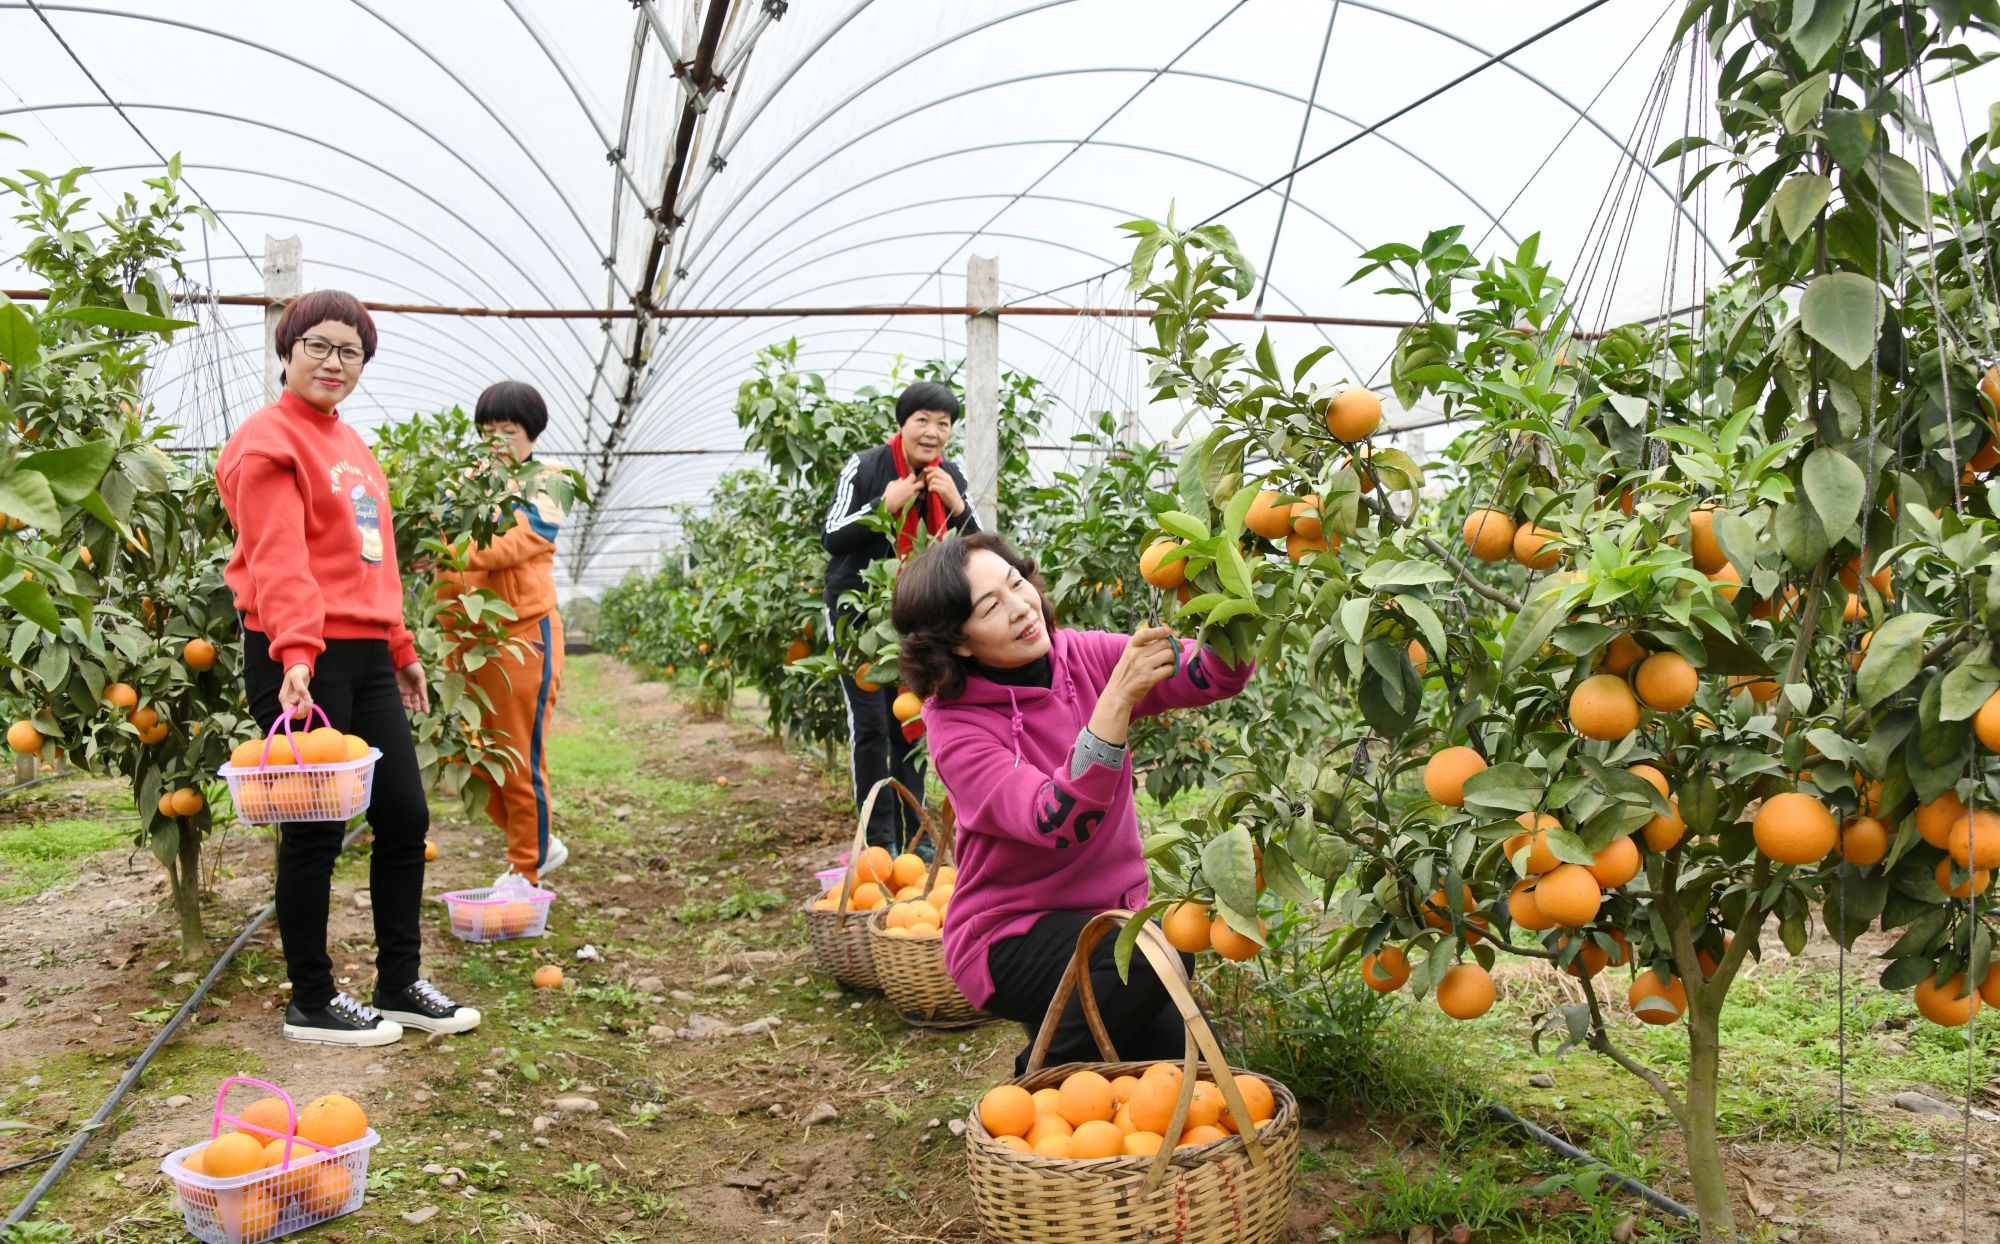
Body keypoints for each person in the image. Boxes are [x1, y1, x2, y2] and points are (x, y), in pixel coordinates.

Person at [217, 289, 480, 1047]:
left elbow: (377, 562)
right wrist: (296, 651)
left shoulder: (355, 450)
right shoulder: (267, 442)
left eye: (351, 352)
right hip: (299, 655)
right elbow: (278, 557)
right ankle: (312, 998)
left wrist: (400, 649)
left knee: (404, 817)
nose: (334, 362)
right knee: (315, 832)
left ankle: (398, 985)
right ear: (287, 349)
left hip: (364, 655)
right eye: (319, 346)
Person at [890, 533, 1254, 1071]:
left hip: (1109, 921)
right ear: (958, 641)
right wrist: (1116, 701)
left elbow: (1211, 675)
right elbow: (1058, 819)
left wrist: (1227, 591)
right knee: (1158, 957)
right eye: (991, 606)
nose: (1020, 608)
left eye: (1017, 584)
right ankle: (1030, 1083)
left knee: (1202, 1076)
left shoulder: (1079, 655)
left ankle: (1067, 1039)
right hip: (1008, 936)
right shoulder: (956, 728)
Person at [822, 380, 979, 853]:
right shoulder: (866, 466)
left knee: (911, 723)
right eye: (923, 421)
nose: (932, 432)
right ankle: (878, 841)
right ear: (902, 424)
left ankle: (915, 841)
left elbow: (979, 548)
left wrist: (958, 505)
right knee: (870, 725)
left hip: (918, 617)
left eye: (943, 424)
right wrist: (880, 507)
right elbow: (831, 533)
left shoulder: (950, 475)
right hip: (859, 614)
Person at [439, 380, 567, 888]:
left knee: (516, 756)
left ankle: (527, 865)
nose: (496, 440)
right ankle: (539, 841)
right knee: (466, 755)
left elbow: (511, 544)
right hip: (465, 641)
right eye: (488, 430)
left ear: (531, 433)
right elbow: (434, 529)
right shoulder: (461, 483)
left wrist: (446, 548)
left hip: (521, 636)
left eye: (508, 430)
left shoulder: (551, 481)